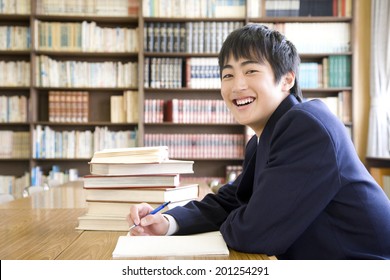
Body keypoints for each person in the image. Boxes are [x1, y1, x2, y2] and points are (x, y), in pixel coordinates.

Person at [127, 24, 390, 260]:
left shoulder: (307, 126)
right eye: (227, 75)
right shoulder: (264, 137)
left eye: (251, 70)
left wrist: (244, 216)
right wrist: (167, 221)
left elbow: (256, 233)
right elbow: (230, 201)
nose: (237, 86)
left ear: (287, 79)